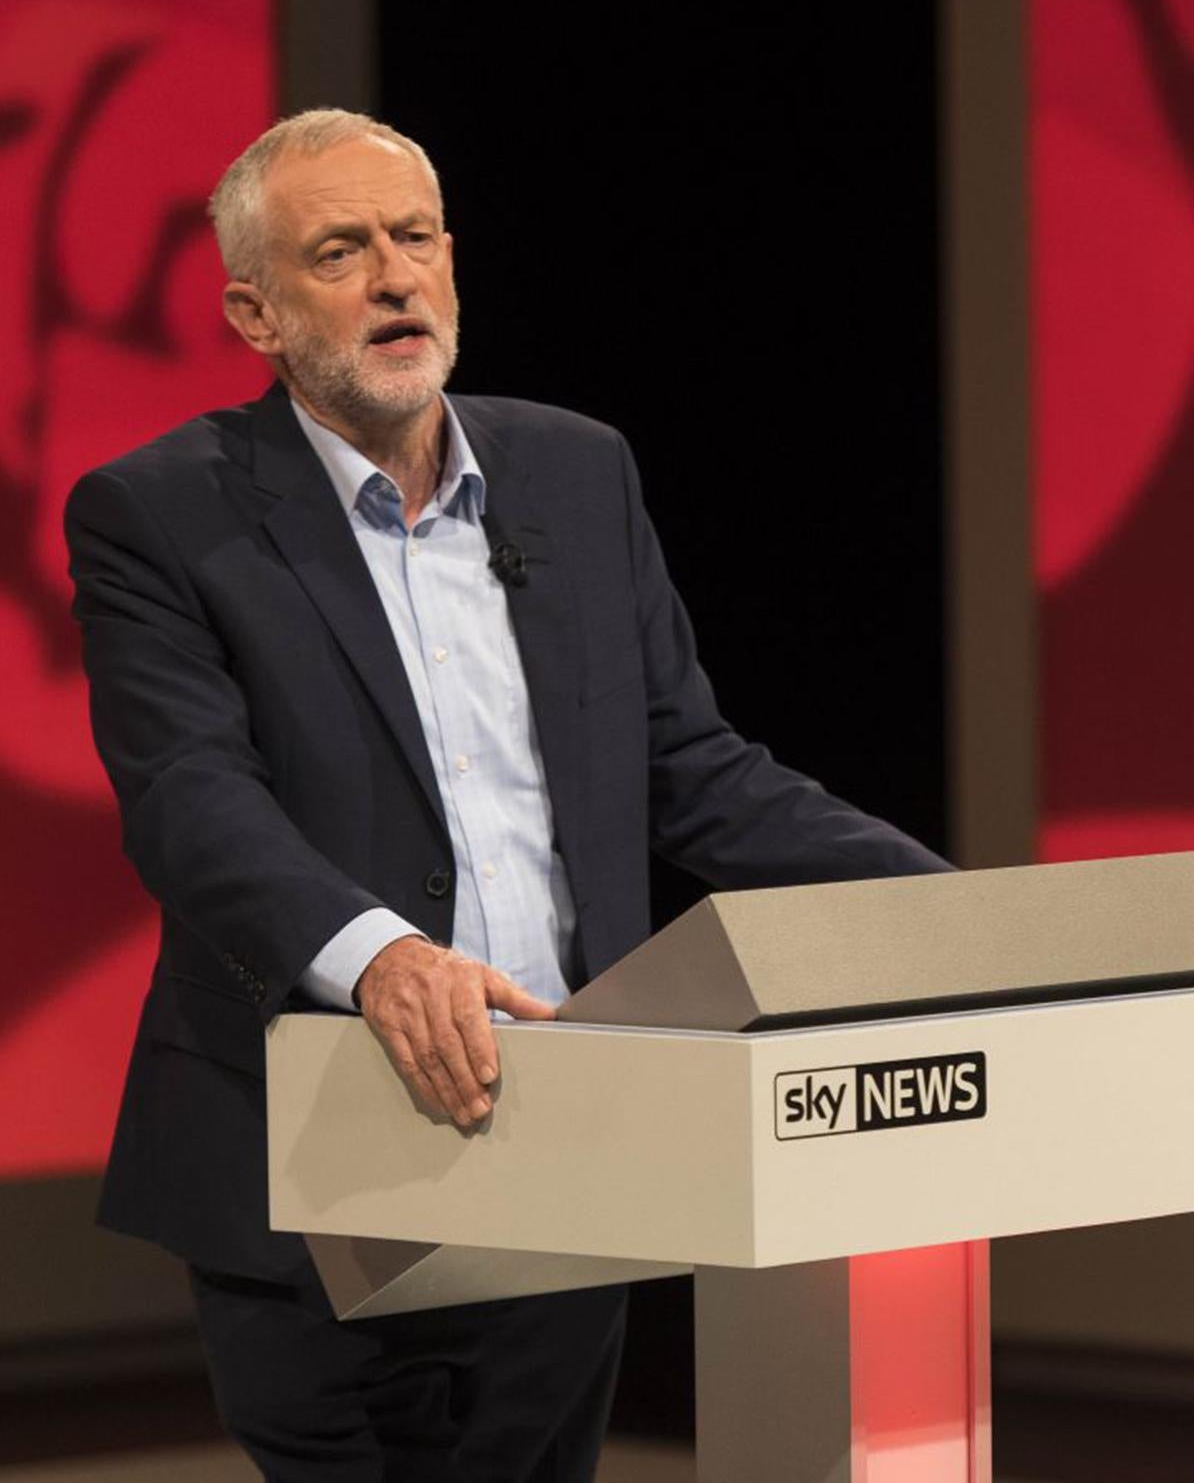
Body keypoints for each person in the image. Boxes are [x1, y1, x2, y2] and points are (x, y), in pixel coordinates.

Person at [65, 109, 948, 1480]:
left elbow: (691, 768)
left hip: (564, 1142)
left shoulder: (576, 472)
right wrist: (382, 958)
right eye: (340, 252)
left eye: (413, 239)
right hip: (310, 1158)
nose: (394, 279)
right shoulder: (161, 513)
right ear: (255, 311)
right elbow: (191, 798)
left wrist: (948, 909)